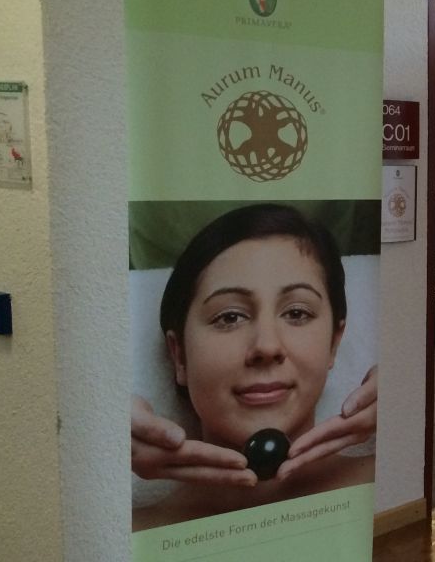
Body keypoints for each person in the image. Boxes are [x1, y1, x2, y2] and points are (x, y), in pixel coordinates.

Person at [130, 204, 376, 523]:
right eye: (230, 317)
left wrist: (407, 408)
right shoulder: (130, 534)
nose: (266, 346)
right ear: (179, 356)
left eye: (297, 313)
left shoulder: (390, 484)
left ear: (333, 343)